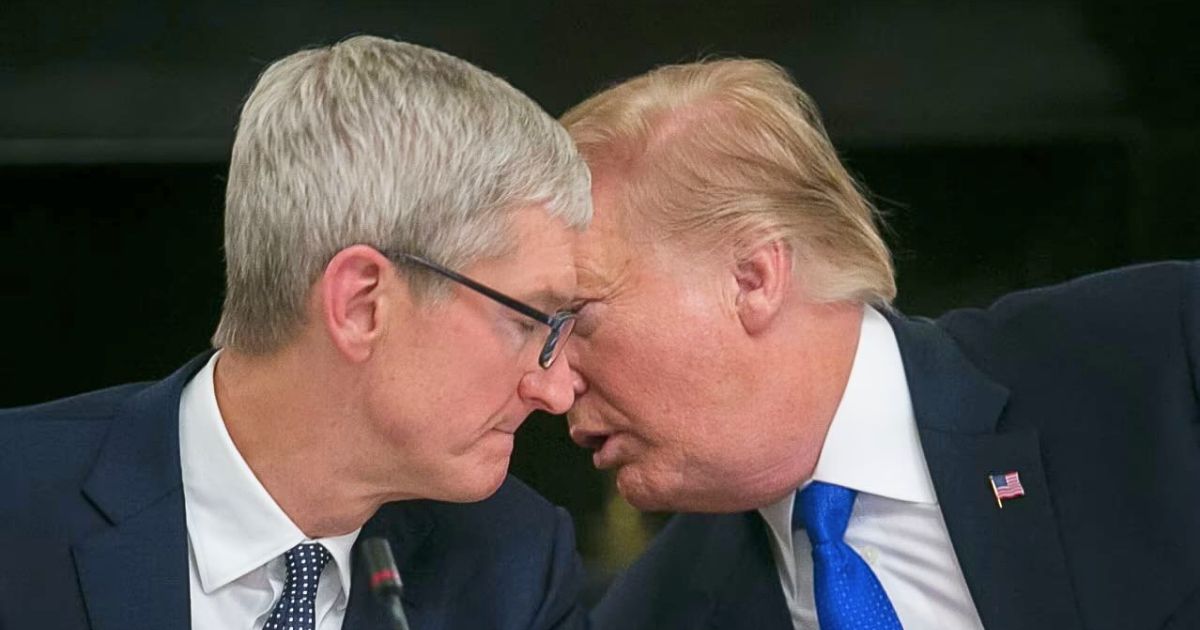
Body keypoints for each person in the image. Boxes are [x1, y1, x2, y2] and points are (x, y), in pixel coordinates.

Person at [559, 58, 1200, 630]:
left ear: (751, 278)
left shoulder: (1162, 352)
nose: (550, 384)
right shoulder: (655, 611)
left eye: (573, 317)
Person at [0, 35, 592, 630]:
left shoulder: (515, 567)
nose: (557, 390)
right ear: (362, 304)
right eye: (525, 321)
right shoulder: (15, 499)